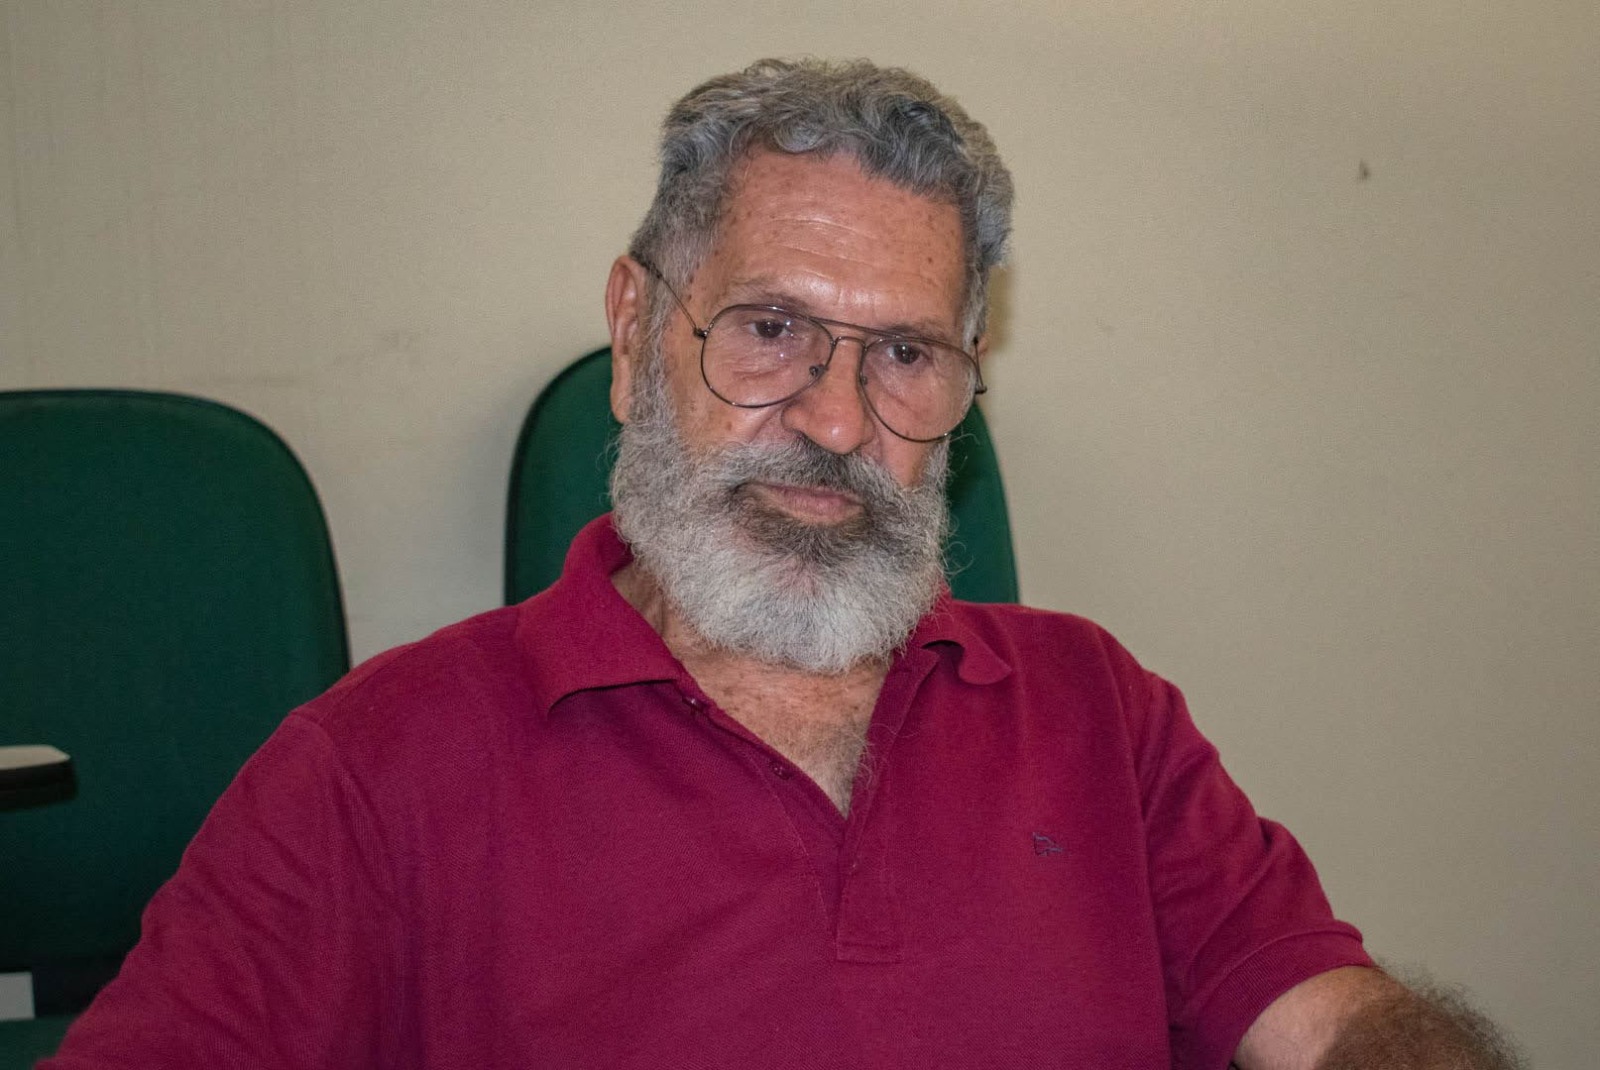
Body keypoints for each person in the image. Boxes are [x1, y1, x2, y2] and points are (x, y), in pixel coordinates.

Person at [42, 58, 1518, 1070]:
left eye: (906, 355)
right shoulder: (377, 767)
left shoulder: (1099, 710)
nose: (835, 419)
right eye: (769, 331)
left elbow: (1336, 1021)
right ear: (637, 334)